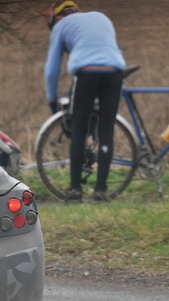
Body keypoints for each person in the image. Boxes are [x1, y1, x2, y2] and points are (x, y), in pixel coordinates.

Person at [44, 1, 126, 202]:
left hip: (86, 74)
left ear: (57, 18)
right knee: (106, 130)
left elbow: (52, 70)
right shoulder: (101, 17)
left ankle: (75, 190)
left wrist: (52, 100)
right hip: (114, 73)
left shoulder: (61, 26)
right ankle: (101, 190)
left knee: (79, 129)